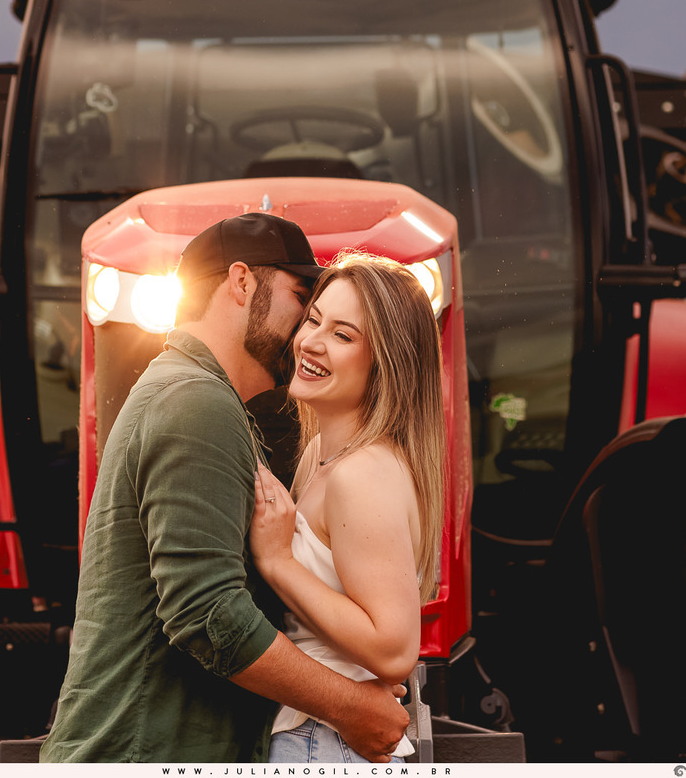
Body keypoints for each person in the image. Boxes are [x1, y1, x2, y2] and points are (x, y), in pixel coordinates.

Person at [39, 215, 410, 763]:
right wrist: (351, 707)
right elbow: (207, 614)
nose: (304, 333)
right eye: (301, 300)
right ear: (241, 282)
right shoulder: (196, 402)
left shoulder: (189, 394)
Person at [249, 250, 445, 763]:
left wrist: (278, 562)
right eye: (313, 320)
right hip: (316, 732)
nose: (311, 342)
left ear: (386, 365)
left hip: (326, 739)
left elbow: (394, 650)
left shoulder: (361, 475)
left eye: (343, 335)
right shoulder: (322, 454)